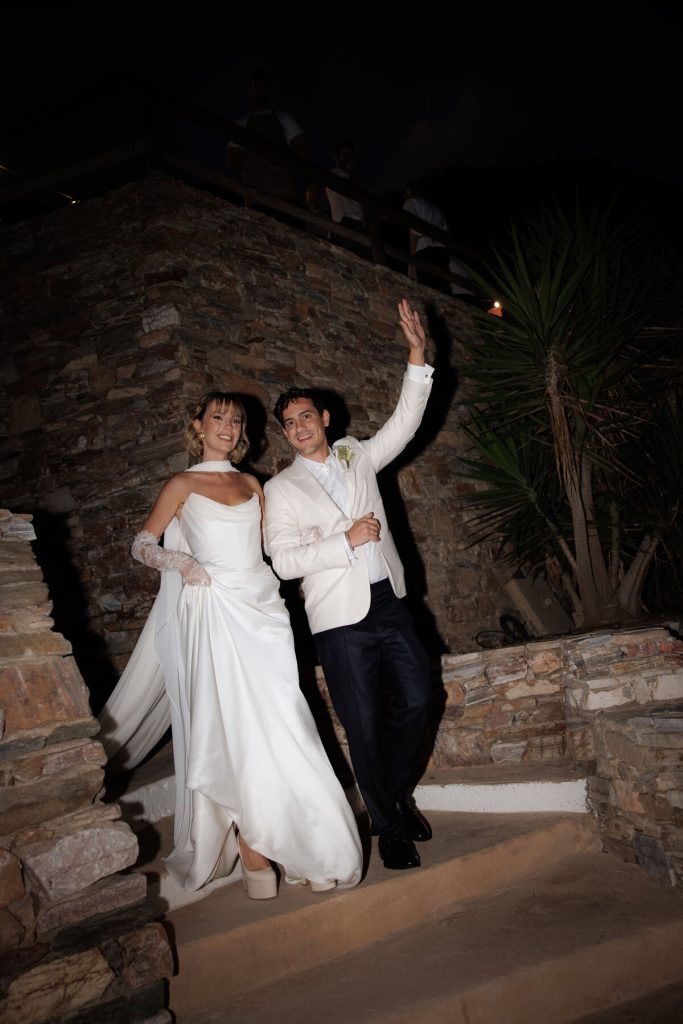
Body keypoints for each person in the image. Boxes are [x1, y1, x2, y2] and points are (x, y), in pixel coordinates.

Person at [98, 392, 362, 898]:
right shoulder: (181, 484)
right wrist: (183, 564)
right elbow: (141, 544)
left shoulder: (252, 485)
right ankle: (250, 840)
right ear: (198, 426)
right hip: (213, 609)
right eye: (217, 417)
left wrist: (319, 537)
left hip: (263, 609)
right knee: (232, 725)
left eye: (236, 420)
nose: (228, 425)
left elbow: (266, 548)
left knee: (286, 721)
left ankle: (308, 842)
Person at [264, 299, 434, 872]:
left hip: (389, 601)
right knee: (361, 727)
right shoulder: (281, 490)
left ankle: (394, 793)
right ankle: (388, 829)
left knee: (419, 698)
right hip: (339, 621)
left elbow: (405, 422)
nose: (299, 427)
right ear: (286, 434)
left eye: (305, 416)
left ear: (324, 418)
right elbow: (284, 562)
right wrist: (345, 540)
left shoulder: (356, 454)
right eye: (289, 424)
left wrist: (417, 354)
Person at [228, 69, 307, 212]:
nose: (260, 89)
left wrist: (285, 166)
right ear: (250, 90)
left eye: (263, 86)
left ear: (269, 90)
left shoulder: (285, 118)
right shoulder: (240, 123)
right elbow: (233, 157)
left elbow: (302, 149)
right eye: (256, 86)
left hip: (287, 195)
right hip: (255, 197)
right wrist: (254, 168)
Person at [402, 184, 451, 293]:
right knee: (442, 288)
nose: (405, 196)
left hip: (425, 251)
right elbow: (446, 231)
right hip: (441, 252)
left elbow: (412, 226)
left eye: (406, 192)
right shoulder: (435, 209)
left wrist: (412, 258)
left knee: (429, 288)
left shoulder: (411, 203)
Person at [325, 141, 365, 255]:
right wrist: (352, 174)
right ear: (337, 158)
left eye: (350, 155)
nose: (348, 158)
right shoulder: (334, 173)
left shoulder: (353, 178)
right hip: (345, 222)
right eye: (344, 154)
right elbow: (348, 191)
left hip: (360, 225)